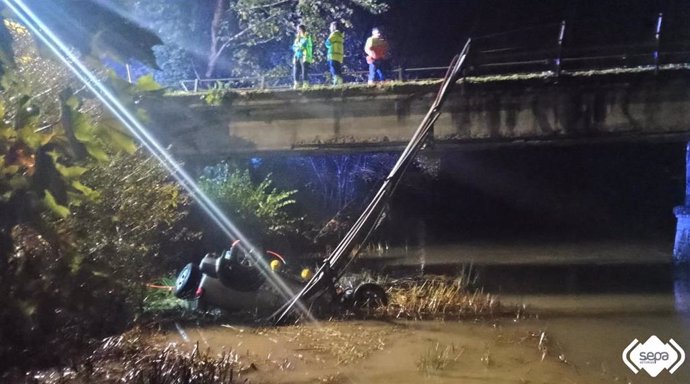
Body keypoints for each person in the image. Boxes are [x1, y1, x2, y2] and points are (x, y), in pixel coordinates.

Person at [292, 24, 313, 89]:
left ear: (301, 29)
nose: (298, 31)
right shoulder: (297, 37)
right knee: (296, 69)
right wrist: (297, 47)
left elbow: (303, 44)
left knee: (304, 70)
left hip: (304, 55)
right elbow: (294, 46)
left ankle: (305, 84)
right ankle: (296, 83)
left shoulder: (307, 36)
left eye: (299, 29)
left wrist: (298, 47)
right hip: (297, 55)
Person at [325, 21, 344, 86]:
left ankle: (336, 81)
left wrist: (327, 44)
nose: (329, 28)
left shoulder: (334, 34)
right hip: (339, 55)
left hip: (333, 54)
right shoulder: (341, 35)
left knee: (333, 68)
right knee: (337, 68)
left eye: (330, 26)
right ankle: (340, 81)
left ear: (333, 27)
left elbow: (328, 42)